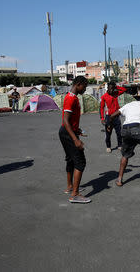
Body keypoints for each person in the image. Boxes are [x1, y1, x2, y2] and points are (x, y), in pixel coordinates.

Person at [58, 76, 91, 204]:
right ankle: (75, 194)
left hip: (68, 132)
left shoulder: (72, 97)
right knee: (80, 162)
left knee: (71, 160)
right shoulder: (70, 98)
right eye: (85, 86)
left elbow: (69, 121)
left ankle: (70, 187)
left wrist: (77, 130)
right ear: (78, 84)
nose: (85, 89)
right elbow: (65, 121)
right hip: (67, 133)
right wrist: (75, 139)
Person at [100, 81, 127, 153]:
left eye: (113, 88)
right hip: (108, 117)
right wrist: (102, 118)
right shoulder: (104, 97)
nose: (111, 90)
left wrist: (116, 87)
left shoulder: (116, 94)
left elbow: (124, 90)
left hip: (116, 116)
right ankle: (108, 147)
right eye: (110, 88)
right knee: (108, 133)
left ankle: (119, 145)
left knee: (119, 132)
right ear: (107, 88)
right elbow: (101, 108)